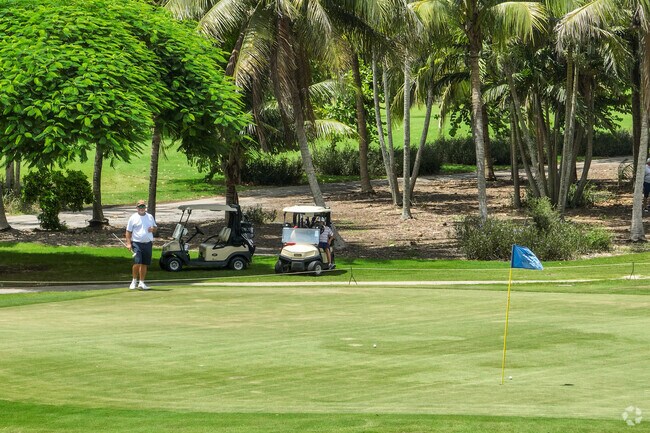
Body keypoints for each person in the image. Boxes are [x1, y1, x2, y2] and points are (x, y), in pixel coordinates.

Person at [125, 199, 157, 290]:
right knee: (137, 262)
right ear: (137, 208)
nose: (141, 208)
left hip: (148, 243)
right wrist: (128, 243)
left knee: (144, 263)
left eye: (143, 206)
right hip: (137, 243)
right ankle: (134, 281)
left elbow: (155, 227)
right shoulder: (133, 218)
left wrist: (153, 229)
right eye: (140, 207)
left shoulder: (150, 217)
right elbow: (128, 231)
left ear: (145, 207)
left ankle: (141, 283)